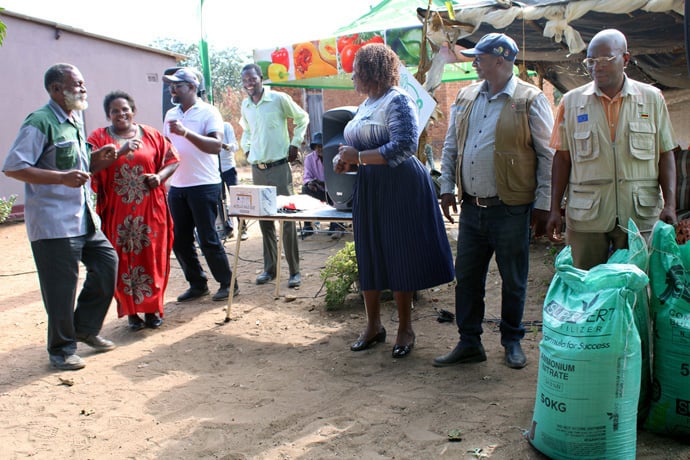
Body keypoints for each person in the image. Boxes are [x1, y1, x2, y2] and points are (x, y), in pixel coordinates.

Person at [434, 33, 555, 370]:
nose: (473, 62)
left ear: (500, 60)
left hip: (511, 208)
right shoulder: (467, 96)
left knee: (513, 278)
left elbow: (547, 156)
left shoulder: (530, 99)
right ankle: (469, 341)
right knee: (468, 278)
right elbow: (451, 145)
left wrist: (544, 204)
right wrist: (446, 186)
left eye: (480, 57)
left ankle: (512, 340)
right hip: (473, 207)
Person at [334, 43, 455, 358]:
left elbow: (404, 147)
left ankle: (405, 328)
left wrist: (358, 157)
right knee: (369, 250)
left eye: (356, 71)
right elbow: (359, 143)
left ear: (372, 71)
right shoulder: (365, 104)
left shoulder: (398, 100)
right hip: (370, 186)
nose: (352, 78)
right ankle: (373, 325)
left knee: (399, 252)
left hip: (400, 184)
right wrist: (346, 160)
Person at [2, 63, 118, 370]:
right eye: (77, 84)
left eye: (82, 83)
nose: (83, 89)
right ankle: (61, 349)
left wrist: (97, 160)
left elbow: (75, 168)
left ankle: (84, 328)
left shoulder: (74, 119)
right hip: (53, 223)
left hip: (83, 217)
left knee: (107, 264)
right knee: (60, 289)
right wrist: (60, 178)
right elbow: (13, 166)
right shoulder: (40, 122)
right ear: (56, 89)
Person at [546, 29, 677, 269]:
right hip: (588, 218)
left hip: (639, 215)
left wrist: (670, 204)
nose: (597, 66)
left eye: (606, 59)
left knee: (638, 287)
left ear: (625, 59)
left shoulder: (652, 99)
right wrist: (554, 208)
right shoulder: (572, 102)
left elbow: (665, 153)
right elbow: (562, 159)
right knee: (586, 286)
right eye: (591, 61)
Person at [87, 91, 179, 331]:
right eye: (115, 111)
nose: (121, 114)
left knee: (153, 258)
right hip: (118, 214)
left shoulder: (151, 135)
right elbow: (89, 164)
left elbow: (173, 159)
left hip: (151, 211)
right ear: (108, 115)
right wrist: (118, 151)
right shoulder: (98, 138)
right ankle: (132, 312)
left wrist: (159, 177)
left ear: (133, 111)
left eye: (125, 109)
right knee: (122, 260)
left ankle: (152, 309)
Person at [162, 67, 236, 302]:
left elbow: (215, 146)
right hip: (178, 185)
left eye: (177, 85)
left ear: (192, 87)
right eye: (171, 85)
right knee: (179, 239)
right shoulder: (170, 114)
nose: (172, 89)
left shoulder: (208, 112)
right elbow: (167, 147)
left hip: (204, 185)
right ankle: (197, 283)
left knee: (207, 238)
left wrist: (186, 133)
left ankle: (228, 284)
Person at [239, 63, 309, 288]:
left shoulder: (278, 99)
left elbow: (302, 118)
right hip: (257, 170)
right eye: (245, 80)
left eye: (252, 79)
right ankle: (270, 268)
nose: (249, 83)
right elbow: (247, 131)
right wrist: (247, 148)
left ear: (261, 78)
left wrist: (295, 143)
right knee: (265, 220)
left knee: (287, 219)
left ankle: (294, 271)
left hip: (279, 168)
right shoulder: (246, 105)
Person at [300, 132, 344, 239]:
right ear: (314, 147)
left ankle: (337, 225)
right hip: (319, 190)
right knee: (305, 189)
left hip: (333, 191)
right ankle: (308, 226)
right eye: (317, 146)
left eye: (322, 146)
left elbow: (339, 178)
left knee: (338, 192)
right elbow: (307, 176)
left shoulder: (334, 157)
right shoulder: (309, 159)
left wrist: (324, 183)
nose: (319, 149)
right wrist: (310, 183)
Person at [219, 121, 248, 241]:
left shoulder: (226, 126)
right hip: (214, 170)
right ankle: (228, 228)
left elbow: (235, 146)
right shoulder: (205, 129)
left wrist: (223, 145)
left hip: (229, 167)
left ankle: (243, 228)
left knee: (237, 198)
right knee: (220, 200)